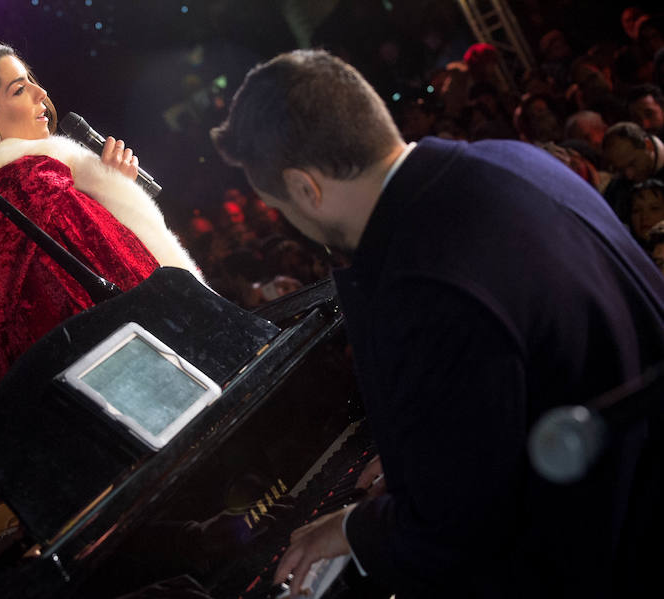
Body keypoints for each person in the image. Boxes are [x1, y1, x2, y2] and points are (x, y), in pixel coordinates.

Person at [210, 49, 664, 598]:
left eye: (282, 205)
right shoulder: (514, 159)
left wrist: (361, 527)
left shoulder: (422, 279)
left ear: (307, 188)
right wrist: (429, 445)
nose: (293, 221)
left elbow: (460, 532)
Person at [0, 40, 200, 372]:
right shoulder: (35, 190)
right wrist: (114, 193)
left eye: (30, 80)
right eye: (19, 90)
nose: (40, 92)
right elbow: (135, 286)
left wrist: (109, 189)